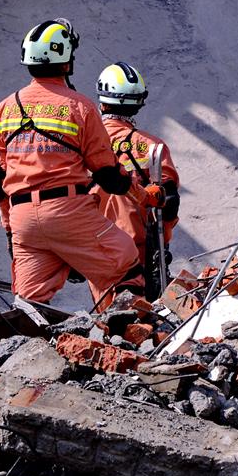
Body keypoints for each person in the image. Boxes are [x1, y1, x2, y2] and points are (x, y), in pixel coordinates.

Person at [0, 19, 144, 311]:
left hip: (24, 222)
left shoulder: (6, 106)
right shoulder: (79, 107)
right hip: (67, 211)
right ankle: (135, 337)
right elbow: (107, 174)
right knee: (126, 261)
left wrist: (10, 227)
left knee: (29, 303)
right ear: (66, 60)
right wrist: (131, 186)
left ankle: (23, 350)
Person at [95, 62, 181, 299]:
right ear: (138, 102)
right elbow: (169, 202)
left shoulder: (83, 144)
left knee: (105, 316)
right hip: (141, 246)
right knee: (141, 315)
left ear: (102, 100)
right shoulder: (153, 147)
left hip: (94, 244)